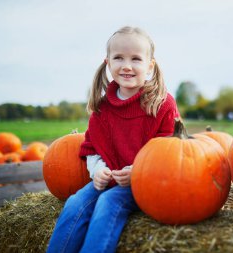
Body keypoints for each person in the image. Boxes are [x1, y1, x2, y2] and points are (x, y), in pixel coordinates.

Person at [46, 26, 180, 253]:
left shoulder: (161, 104)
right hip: (108, 179)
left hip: (145, 183)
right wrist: (97, 170)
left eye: (136, 59)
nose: (127, 65)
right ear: (108, 62)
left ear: (150, 66)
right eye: (119, 57)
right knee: (75, 203)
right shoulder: (102, 108)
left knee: (108, 203)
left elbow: (170, 153)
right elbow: (92, 148)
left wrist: (137, 171)